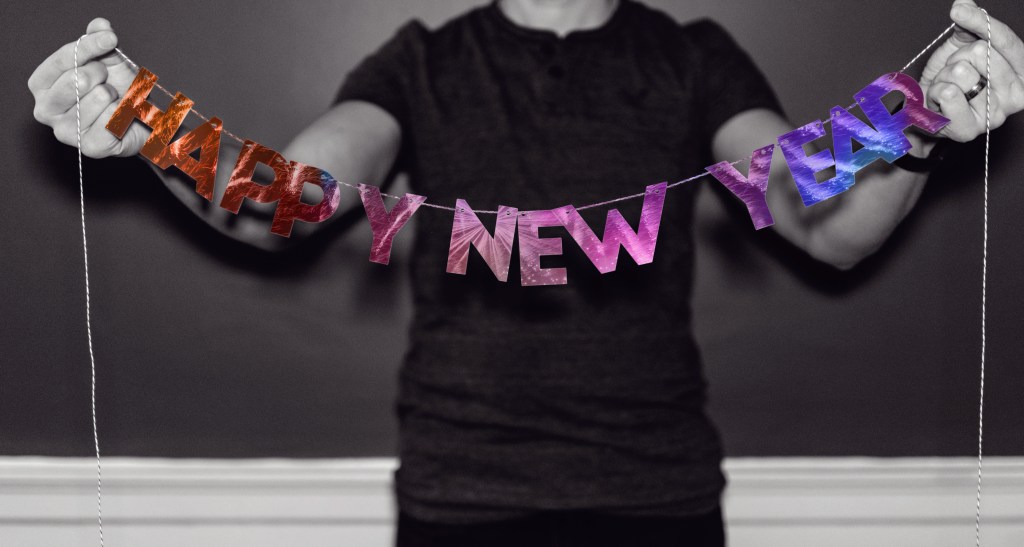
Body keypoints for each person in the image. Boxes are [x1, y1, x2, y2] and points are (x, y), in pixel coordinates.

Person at [27, 0, 1024, 545]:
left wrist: (919, 128)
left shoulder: (693, 56)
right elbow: (285, 201)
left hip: (658, 496)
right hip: (459, 495)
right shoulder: (419, 60)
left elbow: (828, 228)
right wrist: (149, 126)